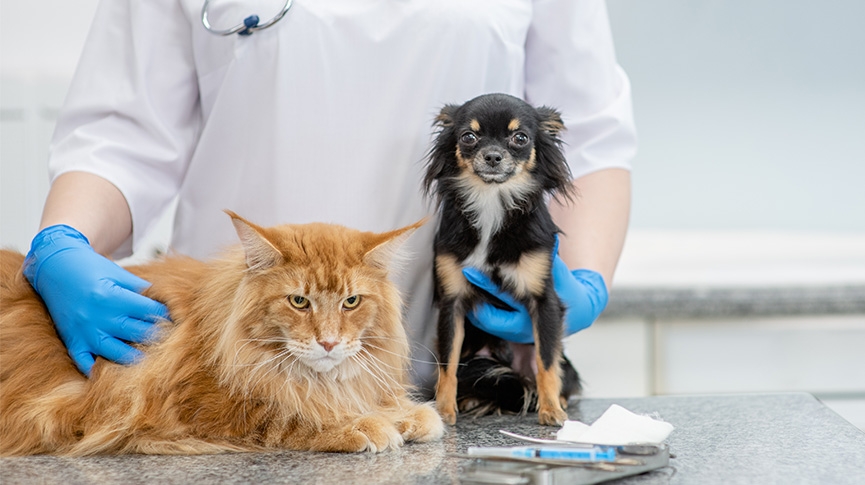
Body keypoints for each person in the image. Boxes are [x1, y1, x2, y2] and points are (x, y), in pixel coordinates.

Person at [23, 0, 635, 394]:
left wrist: (584, 281)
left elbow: (587, 138)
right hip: (233, 377)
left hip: (447, 379)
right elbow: (122, 135)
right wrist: (64, 240)